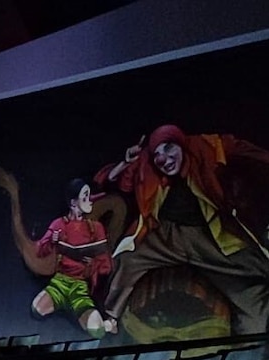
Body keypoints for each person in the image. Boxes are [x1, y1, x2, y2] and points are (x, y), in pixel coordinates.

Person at [98, 125, 269, 335]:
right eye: (157, 155)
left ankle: (251, 344)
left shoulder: (206, 147)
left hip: (211, 234)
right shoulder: (146, 165)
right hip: (169, 236)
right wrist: (126, 162)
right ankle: (110, 317)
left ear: (181, 144)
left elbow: (244, 150)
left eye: (169, 148)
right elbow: (113, 181)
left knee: (256, 274)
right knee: (128, 258)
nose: (164, 159)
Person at [33, 179, 113, 339]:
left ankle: (107, 324)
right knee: (37, 309)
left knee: (96, 330)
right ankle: (63, 303)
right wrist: (52, 241)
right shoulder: (59, 224)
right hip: (60, 282)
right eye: (85, 196)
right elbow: (40, 251)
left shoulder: (95, 228)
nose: (90, 200)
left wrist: (93, 264)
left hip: (80, 287)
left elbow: (106, 266)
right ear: (73, 203)